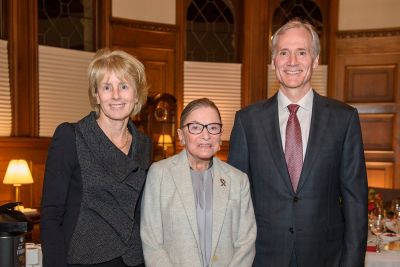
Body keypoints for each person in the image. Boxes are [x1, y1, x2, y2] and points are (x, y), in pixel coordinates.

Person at [228, 19, 368, 267]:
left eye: (301, 52)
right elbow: (235, 202)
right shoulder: (247, 121)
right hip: (261, 258)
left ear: (315, 60)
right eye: (284, 52)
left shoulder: (344, 119)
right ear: (273, 62)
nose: (292, 61)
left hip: (326, 258)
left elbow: (355, 201)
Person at [40, 48, 152, 267]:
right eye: (107, 87)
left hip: (133, 260)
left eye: (124, 86)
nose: (116, 95)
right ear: (96, 95)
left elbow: (141, 212)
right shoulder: (70, 136)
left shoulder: (144, 145)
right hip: (83, 259)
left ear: (136, 94)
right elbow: (51, 213)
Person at [140, 98, 257, 267]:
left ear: (220, 136)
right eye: (195, 127)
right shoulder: (159, 174)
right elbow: (152, 243)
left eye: (213, 128)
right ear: (181, 136)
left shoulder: (238, 180)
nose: (206, 135)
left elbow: (246, 242)